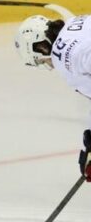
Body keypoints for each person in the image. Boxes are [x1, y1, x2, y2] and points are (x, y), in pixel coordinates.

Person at [14, 14, 91, 182]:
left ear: (40, 48)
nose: (48, 65)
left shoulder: (63, 55)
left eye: (42, 61)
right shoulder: (75, 22)